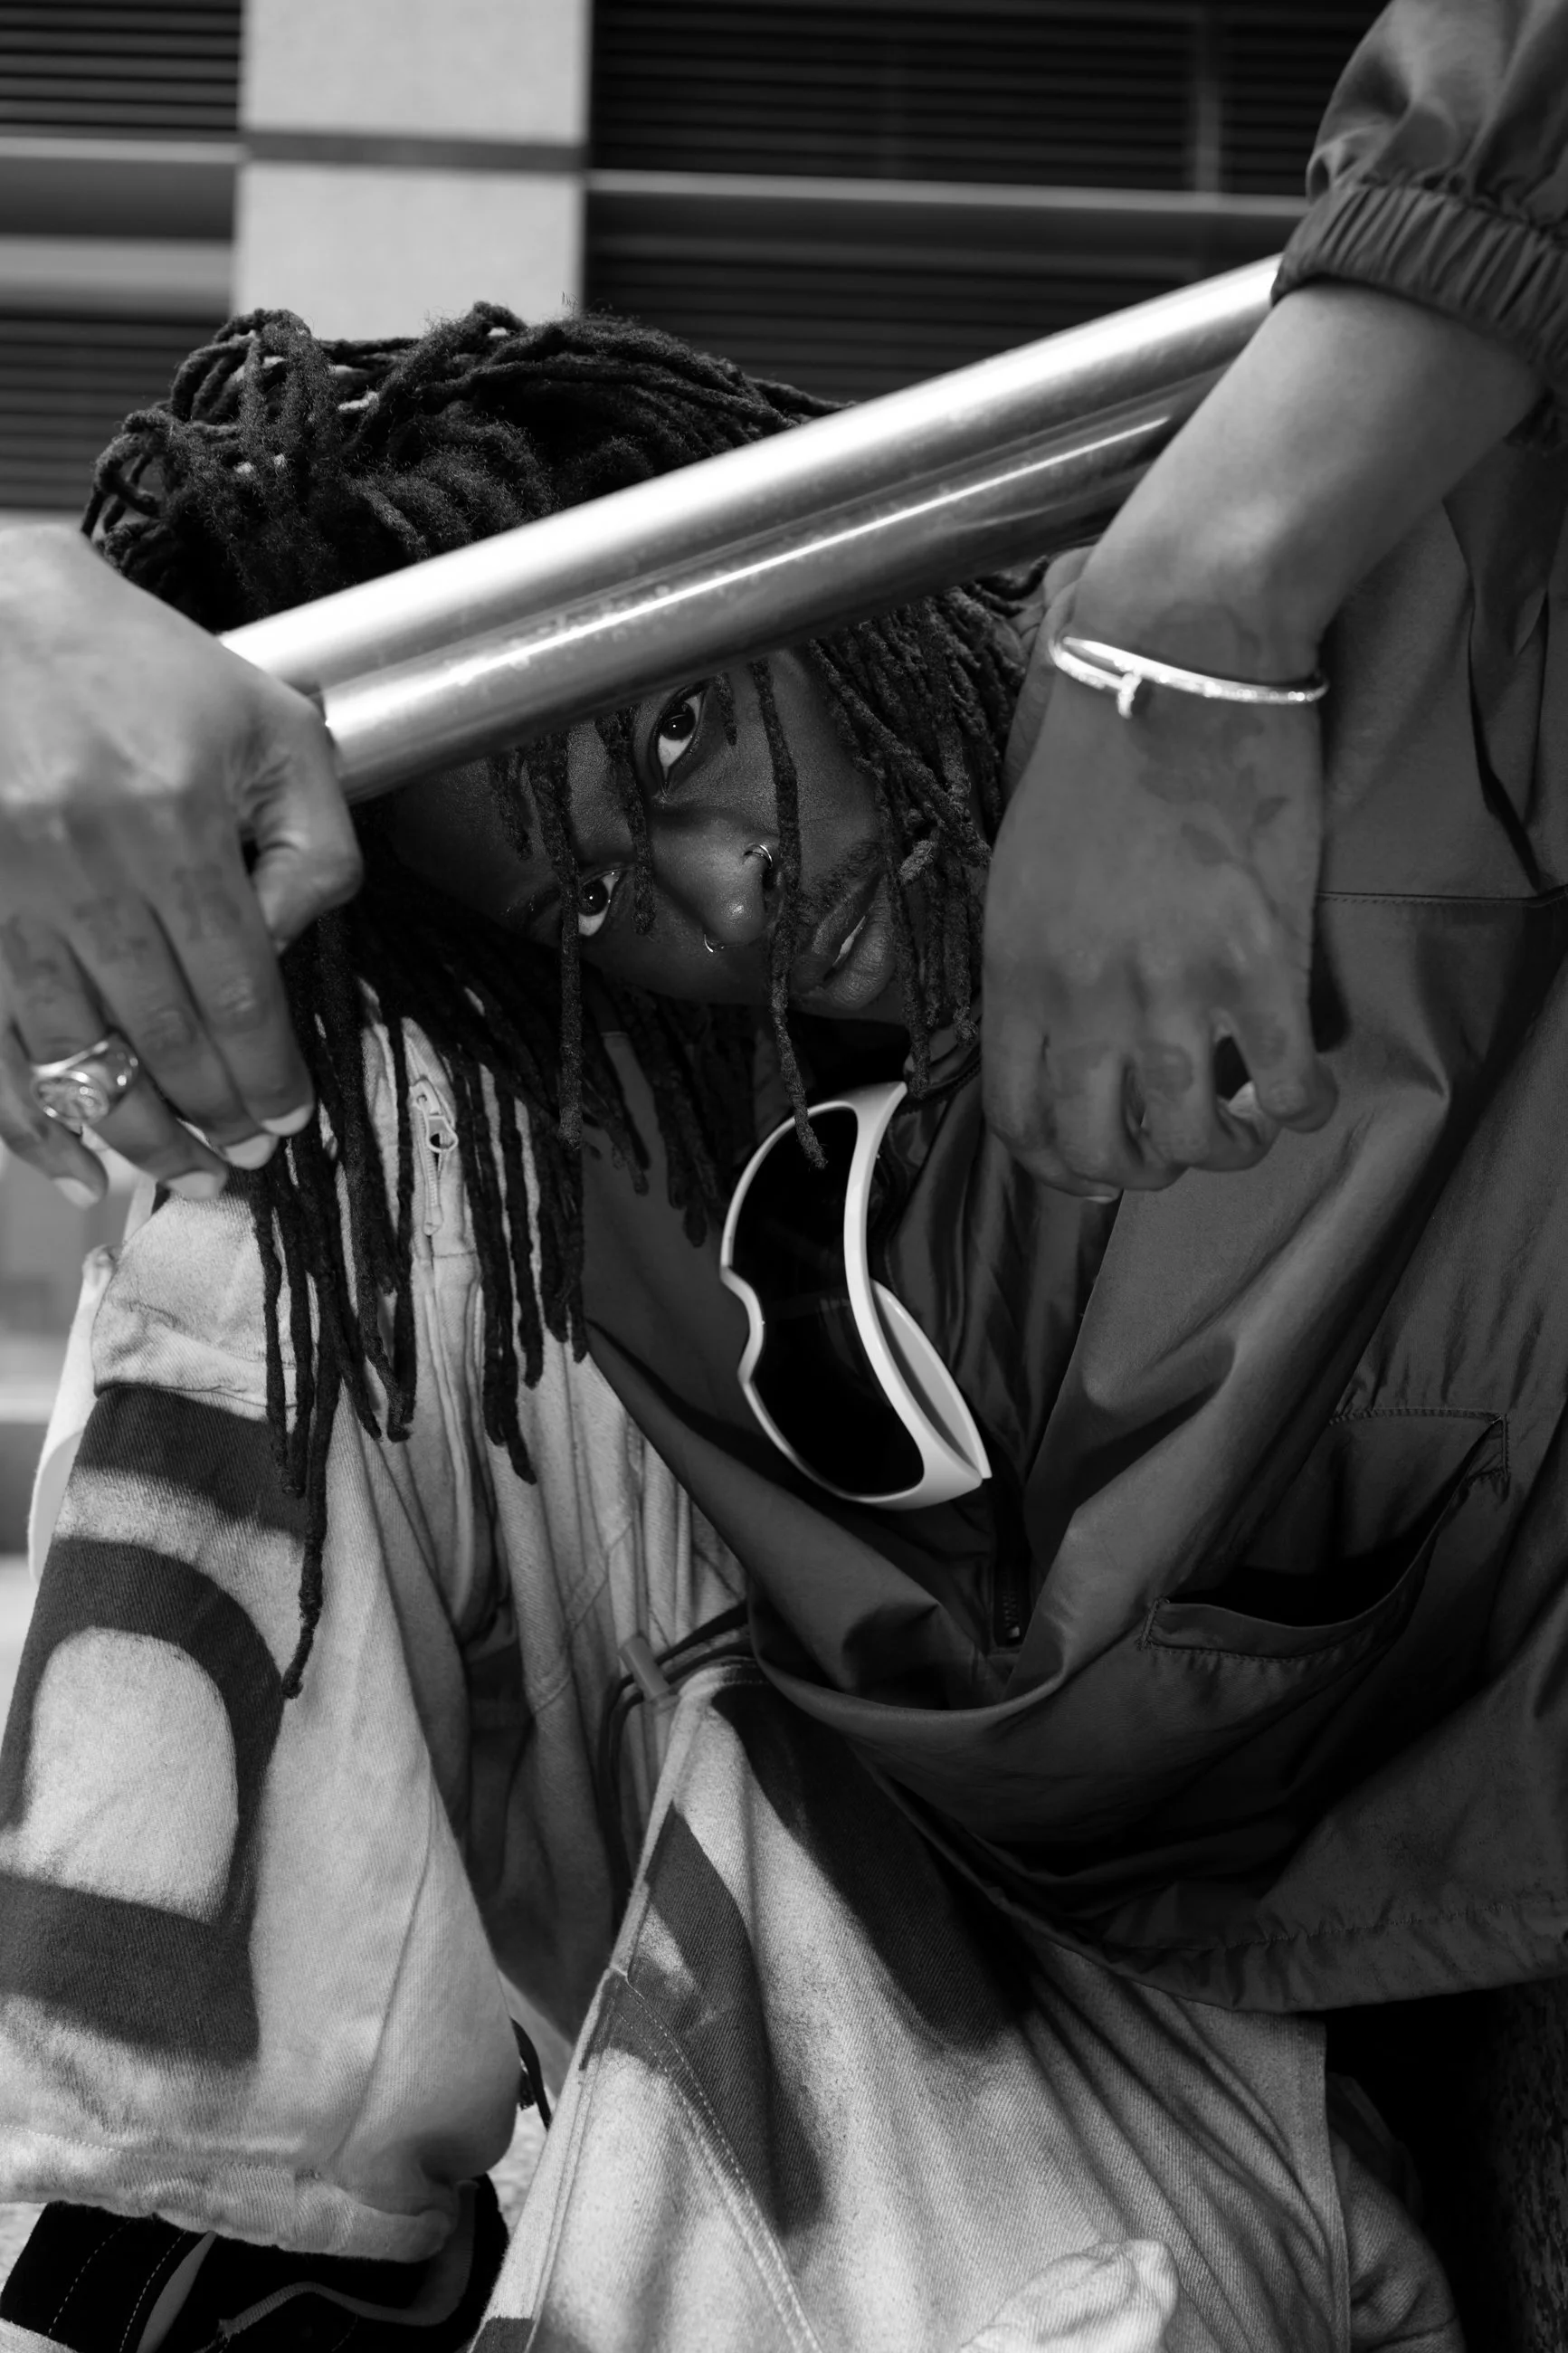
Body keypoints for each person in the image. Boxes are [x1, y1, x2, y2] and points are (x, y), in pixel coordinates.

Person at [1, 0, 1567, 2343]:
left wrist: (1199, 619)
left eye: (681, 734)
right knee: (298, 1113)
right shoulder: (612, 1128)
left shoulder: (1357, 674)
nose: (729, 887)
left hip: (1357, 1957)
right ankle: (194, 2264)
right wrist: (28, 633)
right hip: (948, 1978)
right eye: (595, 896)